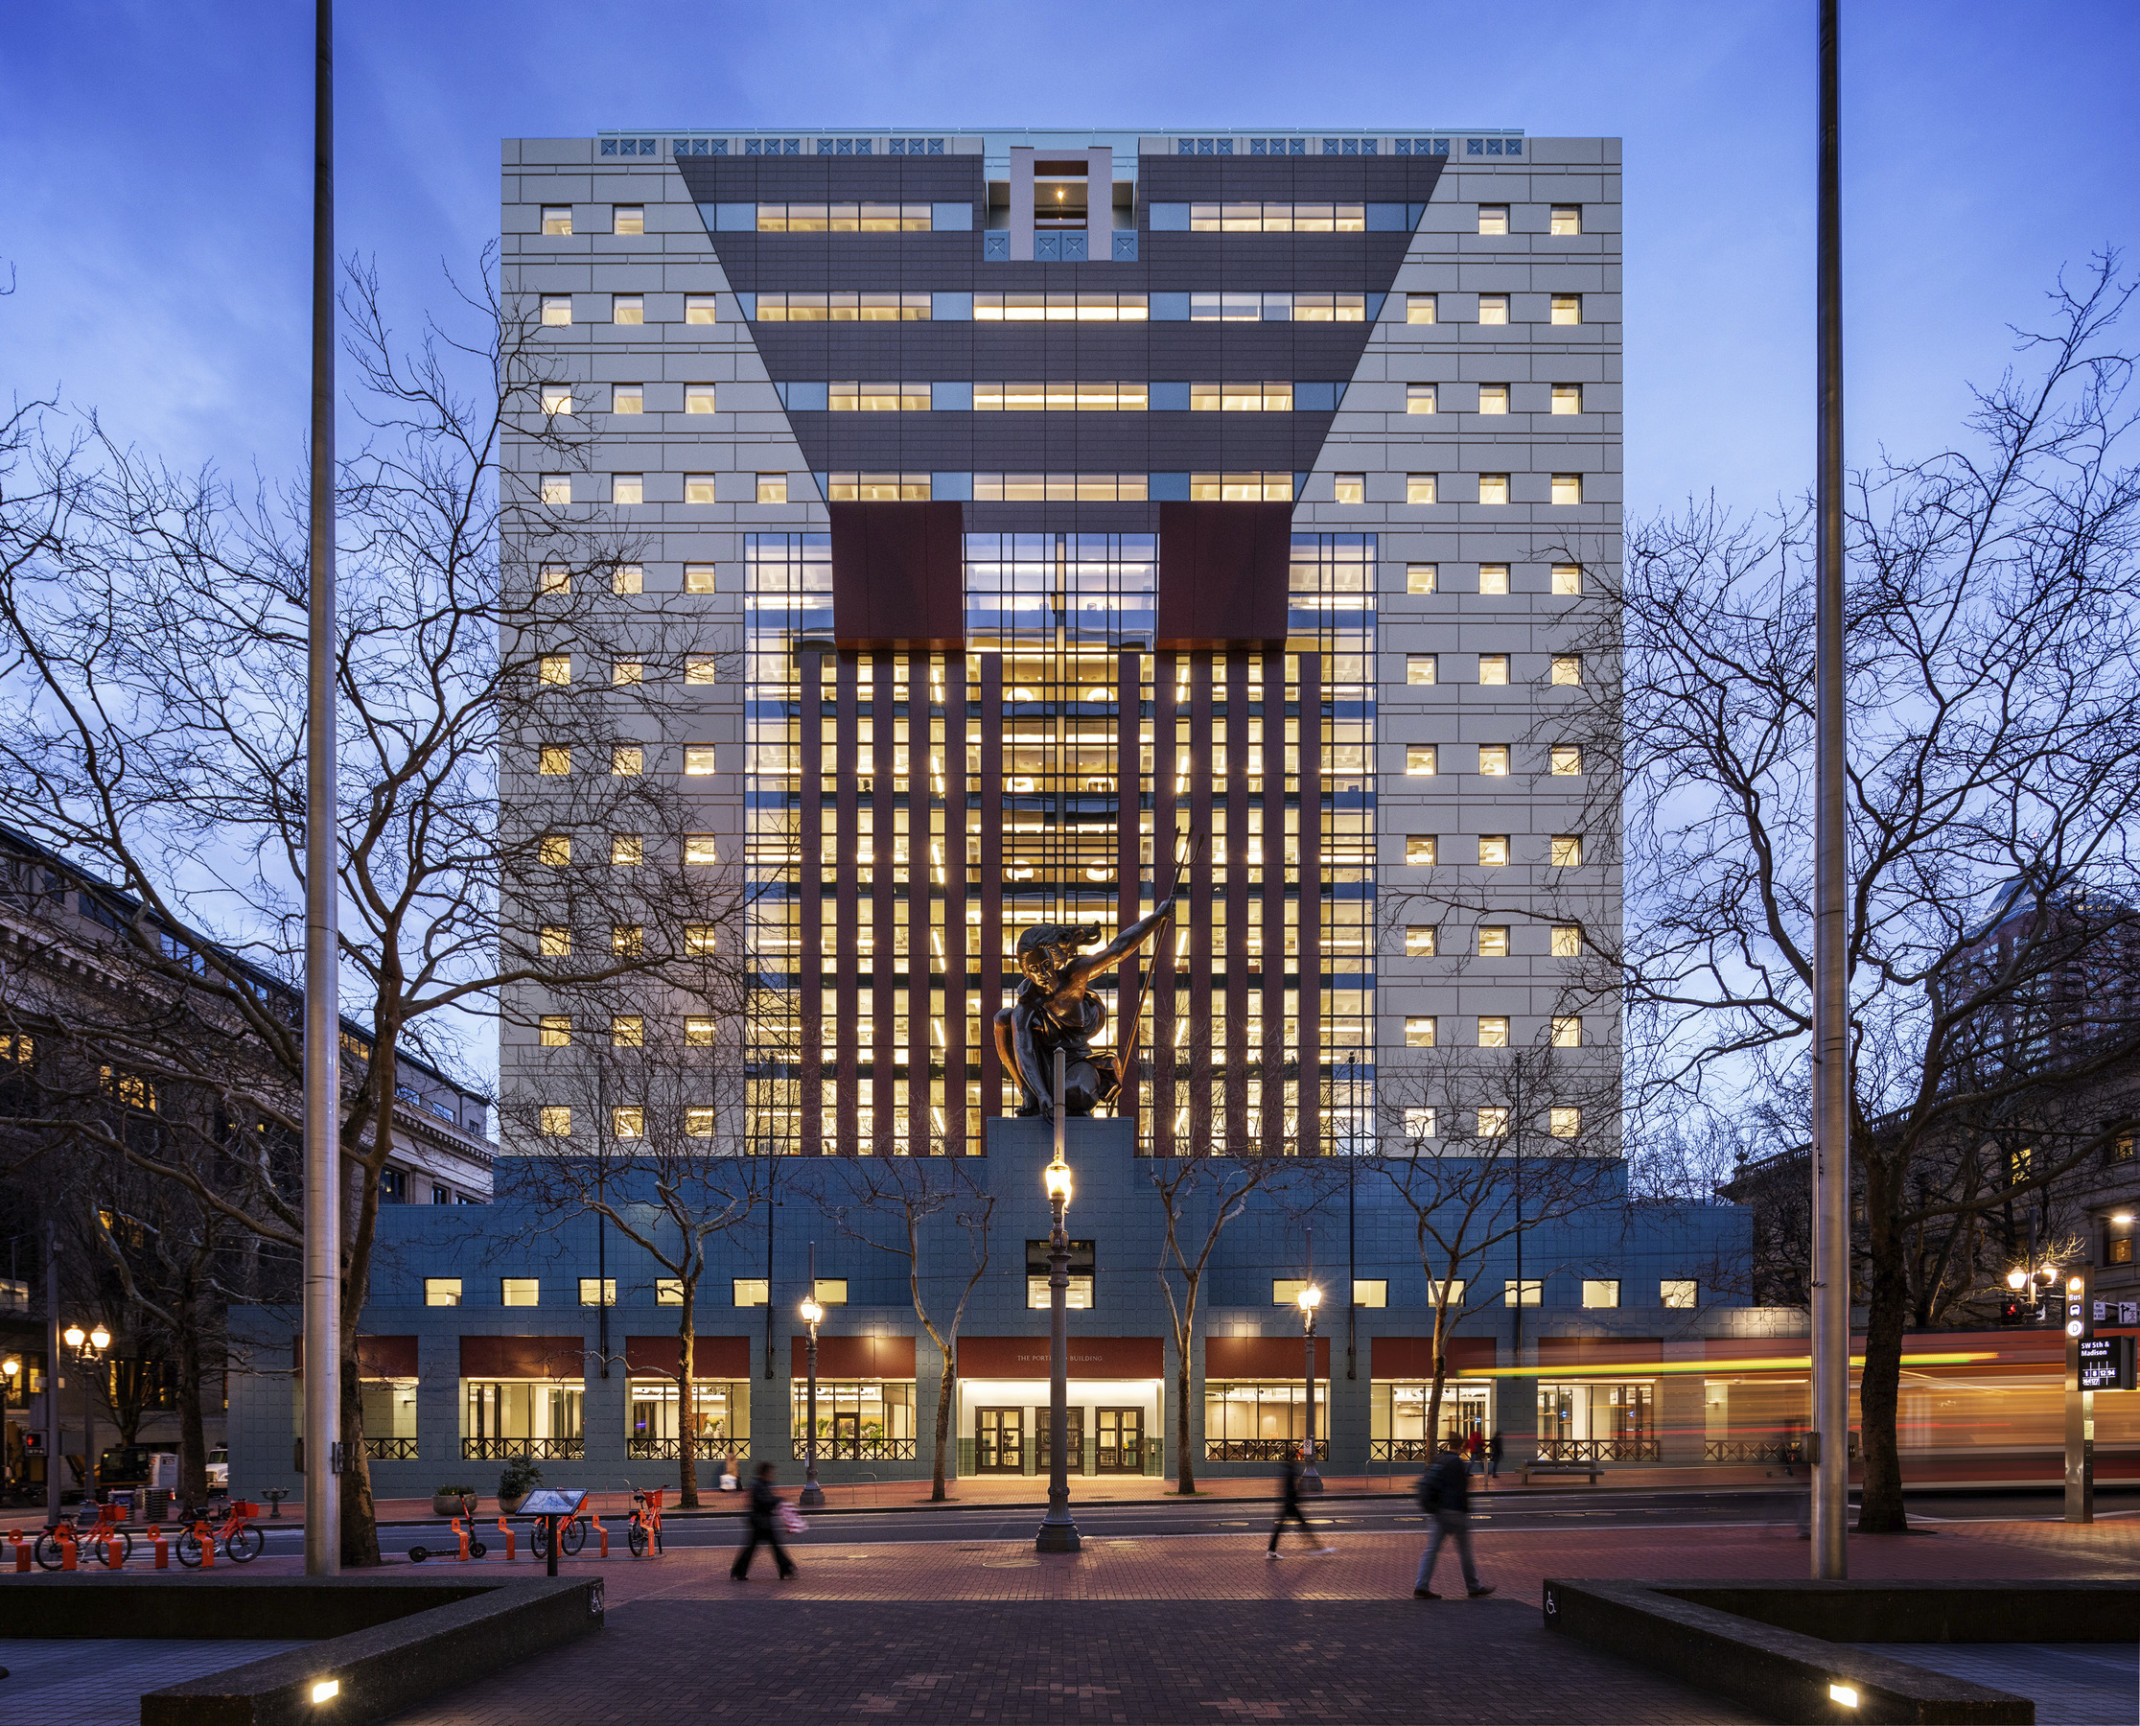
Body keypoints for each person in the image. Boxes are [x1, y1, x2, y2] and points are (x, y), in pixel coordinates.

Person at [1415, 1434, 1494, 1600]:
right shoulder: (1458, 1463)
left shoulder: (1439, 1460)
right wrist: (1465, 1508)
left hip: (1438, 1511)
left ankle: (1421, 1586)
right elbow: (1461, 1489)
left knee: (1431, 1550)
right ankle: (1473, 1586)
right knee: (1465, 1551)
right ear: (1462, 1446)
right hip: (1455, 1511)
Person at [731, 1461, 797, 1581]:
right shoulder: (758, 1485)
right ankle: (786, 1569)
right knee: (772, 1546)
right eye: (770, 1472)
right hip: (761, 1522)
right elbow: (764, 1501)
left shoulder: (762, 1484)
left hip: (761, 1521)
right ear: (765, 1472)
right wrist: (778, 1500)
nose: (772, 1475)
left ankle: (739, 1571)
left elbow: (766, 1500)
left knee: (756, 1548)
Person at [1265, 1443, 1333, 1560]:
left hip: (1288, 1504)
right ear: (1292, 1458)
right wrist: (1297, 1500)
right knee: (1303, 1526)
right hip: (1290, 1504)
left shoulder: (1287, 1469)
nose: (1296, 1459)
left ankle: (1271, 1551)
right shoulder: (1290, 1471)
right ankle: (1317, 1548)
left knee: (1282, 1528)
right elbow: (1291, 1489)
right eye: (1295, 1457)